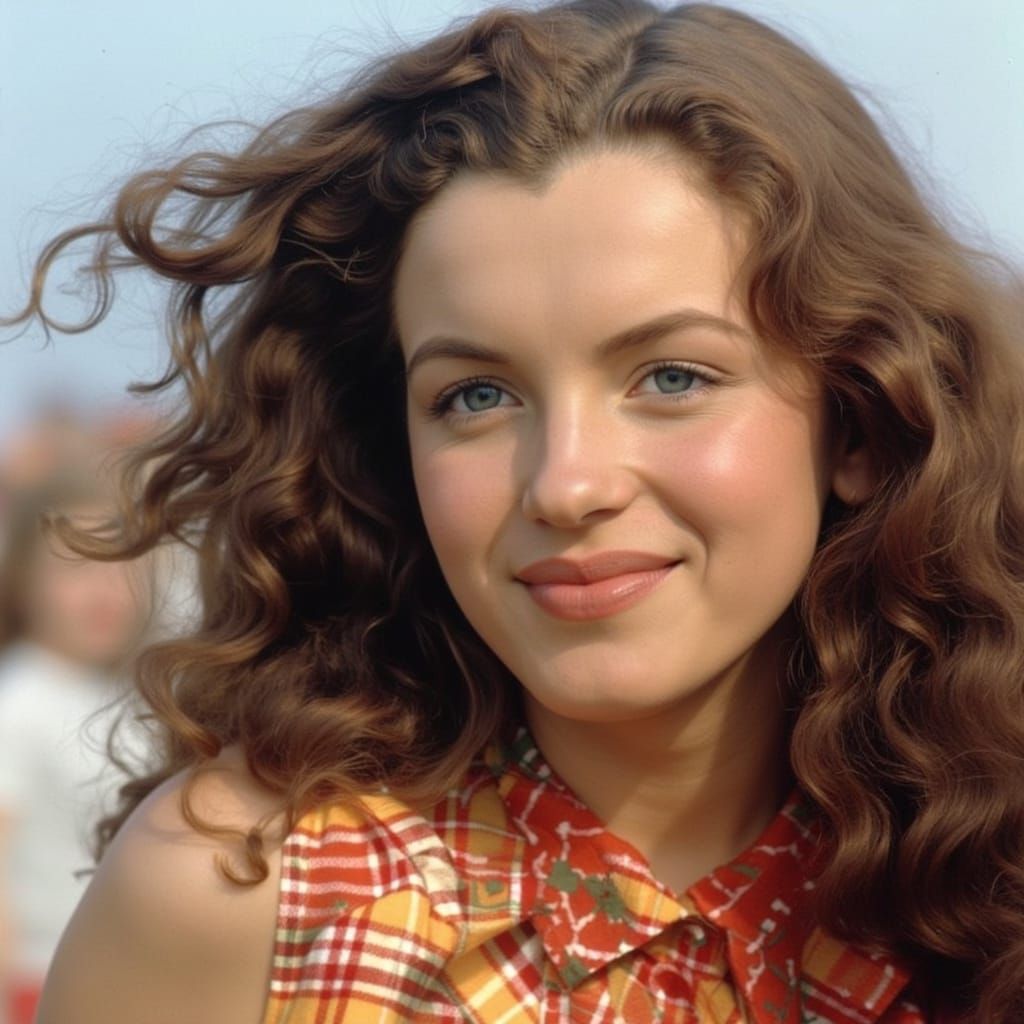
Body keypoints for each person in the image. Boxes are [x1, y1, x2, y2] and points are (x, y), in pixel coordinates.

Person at [5, 1, 1021, 1021]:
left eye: (670, 376)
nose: (566, 484)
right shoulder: (238, 897)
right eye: (475, 396)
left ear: (859, 418)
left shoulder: (986, 899)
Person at [0, 474, 152, 1024]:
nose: (104, 590)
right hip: (40, 992)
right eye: (76, 567)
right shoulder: (17, 700)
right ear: (23, 580)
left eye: (120, 562)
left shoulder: (126, 701)